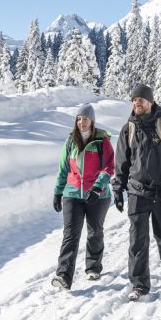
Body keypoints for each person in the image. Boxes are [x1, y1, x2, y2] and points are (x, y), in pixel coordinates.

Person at [112, 84, 161, 301]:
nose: (137, 102)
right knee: (137, 240)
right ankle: (139, 284)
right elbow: (121, 164)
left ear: (151, 102)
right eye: (134, 99)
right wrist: (118, 189)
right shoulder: (128, 129)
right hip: (137, 192)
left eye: (142, 99)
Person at [51, 103, 115, 291]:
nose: (82, 122)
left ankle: (93, 267)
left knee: (95, 231)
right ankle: (63, 275)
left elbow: (109, 167)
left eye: (85, 119)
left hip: (97, 195)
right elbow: (63, 169)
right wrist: (57, 192)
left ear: (92, 121)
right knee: (70, 235)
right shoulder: (71, 141)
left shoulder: (102, 142)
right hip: (72, 193)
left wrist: (98, 187)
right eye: (79, 119)